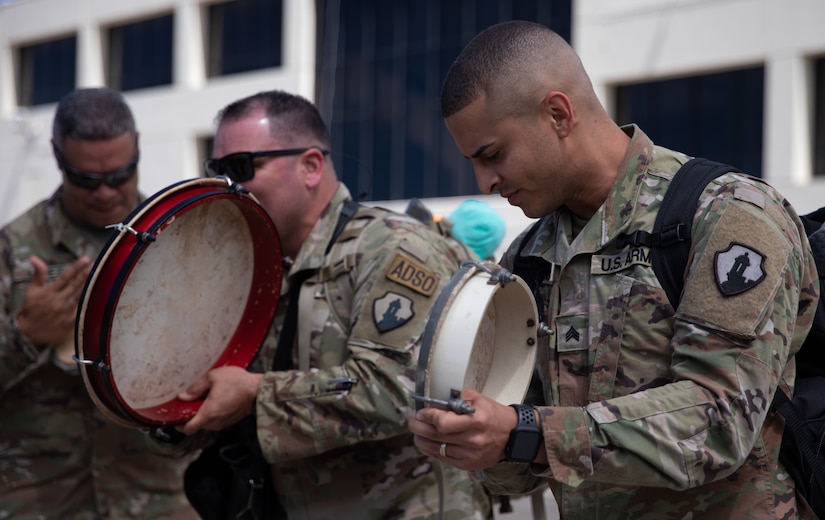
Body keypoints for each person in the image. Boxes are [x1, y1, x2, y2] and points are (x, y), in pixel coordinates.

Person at [408, 20, 820, 519]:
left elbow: (719, 419)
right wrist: (477, 439)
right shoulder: (530, 259)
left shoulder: (727, 214)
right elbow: (520, 464)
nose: (485, 180)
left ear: (558, 114)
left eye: (492, 154)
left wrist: (527, 432)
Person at [176, 89, 492, 519]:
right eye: (218, 169)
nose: (229, 185)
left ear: (310, 166)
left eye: (242, 167)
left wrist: (254, 395)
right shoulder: (247, 268)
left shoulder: (393, 248)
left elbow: (399, 390)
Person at [0, 87, 197, 519]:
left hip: (157, 498)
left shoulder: (184, 237)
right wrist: (25, 337)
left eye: (121, 175)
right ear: (56, 157)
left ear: (138, 148)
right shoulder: (12, 249)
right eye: (86, 179)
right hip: (43, 500)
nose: (105, 192)